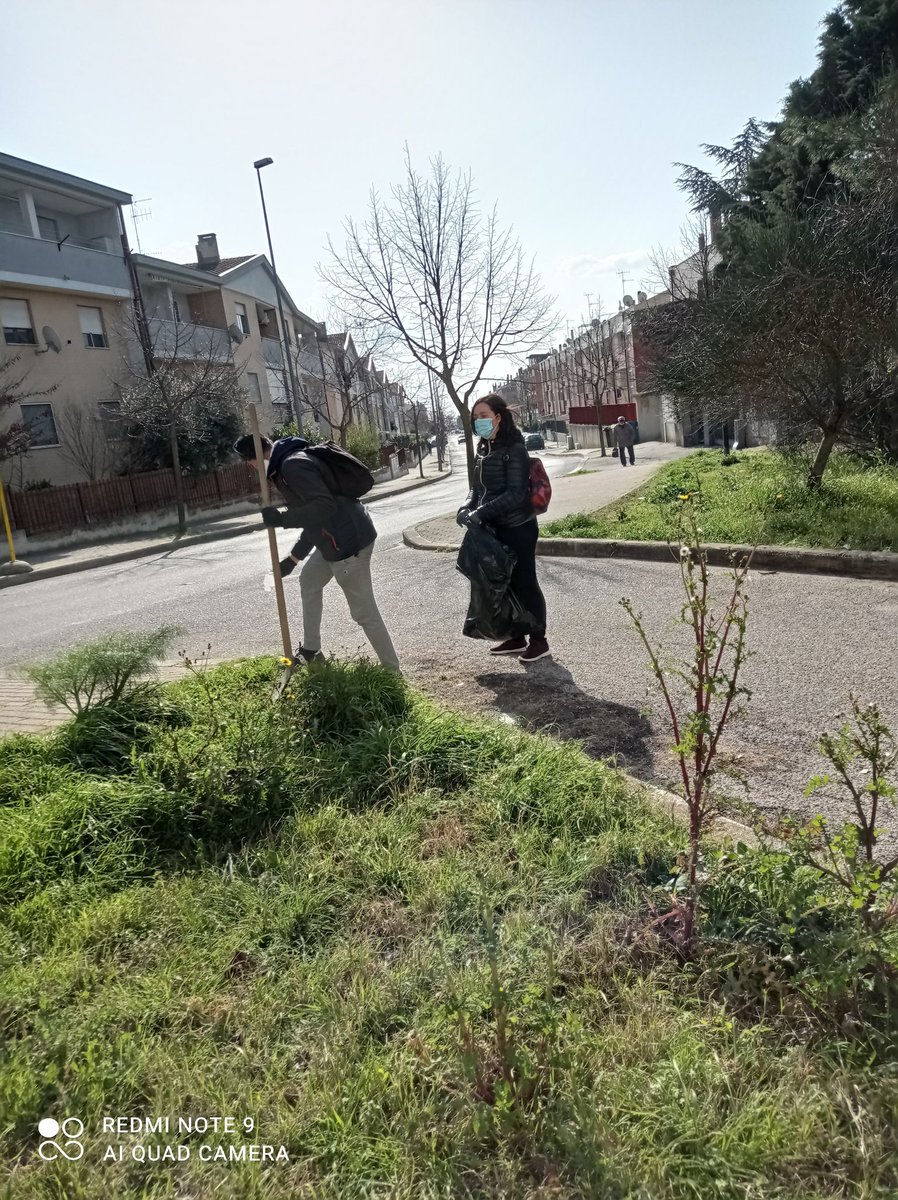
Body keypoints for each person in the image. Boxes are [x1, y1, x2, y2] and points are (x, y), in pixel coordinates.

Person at [233, 433, 400, 672]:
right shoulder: (286, 464)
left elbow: (324, 506)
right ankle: (311, 650)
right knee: (309, 580)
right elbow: (314, 521)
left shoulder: (292, 466)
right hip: (333, 538)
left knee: (364, 612)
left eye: (248, 461)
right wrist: (293, 559)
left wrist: (283, 519)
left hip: (348, 543)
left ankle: (392, 672)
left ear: (254, 458)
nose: (251, 467)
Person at [456, 394, 550, 662]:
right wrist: (466, 507)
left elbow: (516, 493)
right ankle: (517, 636)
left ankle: (540, 640)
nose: (479, 421)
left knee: (525, 582)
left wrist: (480, 513)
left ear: (498, 417)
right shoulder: (483, 450)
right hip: (493, 528)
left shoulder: (515, 449)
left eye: (484, 416)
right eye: (476, 417)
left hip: (518, 527)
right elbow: (476, 489)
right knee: (503, 585)